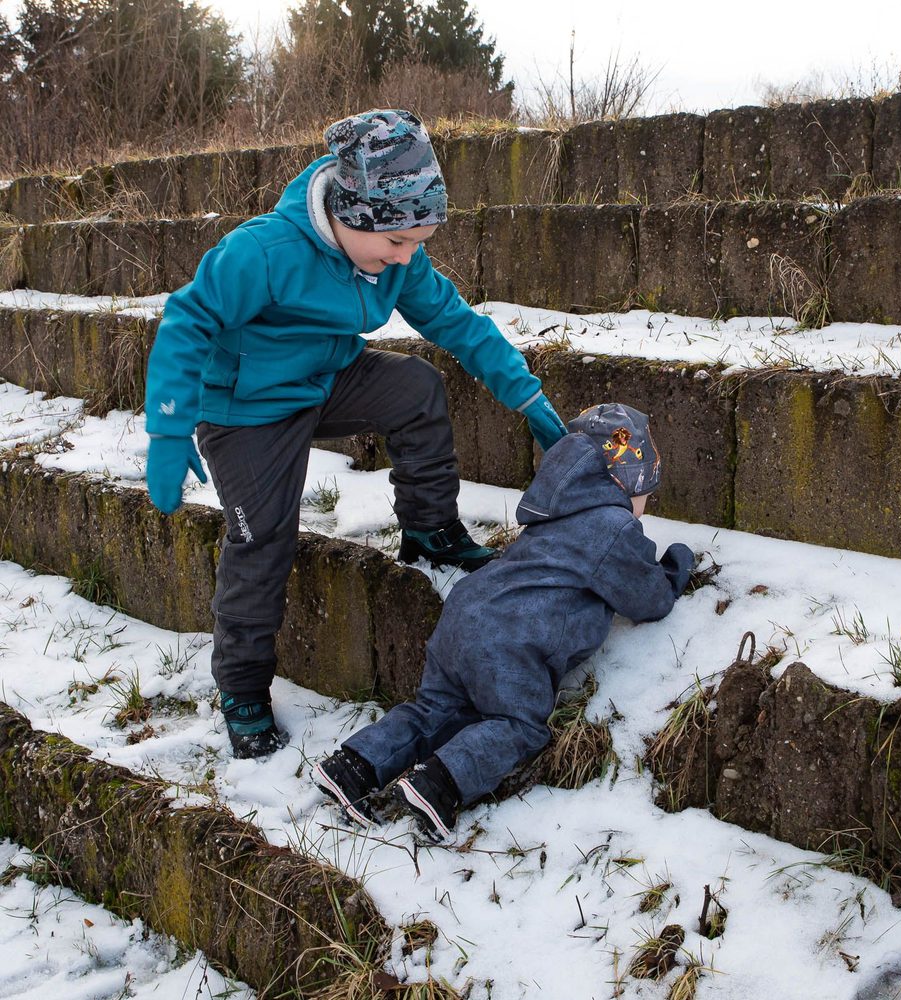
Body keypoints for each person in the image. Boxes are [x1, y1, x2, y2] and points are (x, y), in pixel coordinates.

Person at [143, 110, 567, 759]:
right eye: (395, 243)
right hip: (246, 408)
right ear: (349, 217)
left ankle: (430, 529)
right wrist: (169, 428)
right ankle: (242, 687)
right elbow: (187, 320)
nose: (405, 258)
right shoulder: (264, 251)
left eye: (416, 243)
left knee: (415, 387)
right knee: (263, 537)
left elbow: (456, 322)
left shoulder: (398, 258)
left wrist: (526, 393)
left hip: (325, 377)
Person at [314, 402, 695, 840]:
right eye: (647, 494)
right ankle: (438, 786)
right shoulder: (613, 527)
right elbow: (649, 597)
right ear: (626, 481)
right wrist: (677, 562)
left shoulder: (551, 517)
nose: (645, 505)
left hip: (464, 613)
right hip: (514, 640)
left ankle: (352, 767)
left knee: (434, 708)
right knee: (517, 725)